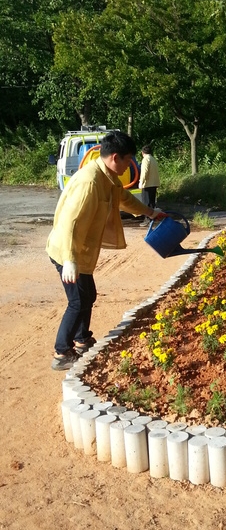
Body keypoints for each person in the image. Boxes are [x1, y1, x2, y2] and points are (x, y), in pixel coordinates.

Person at [47, 131, 166, 371]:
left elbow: (124, 199)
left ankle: (82, 340)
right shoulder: (89, 182)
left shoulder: (109, 178)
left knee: (88, 295)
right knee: (78, 300)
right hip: (67, 251)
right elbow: (70, 222)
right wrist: (69, 261)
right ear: (115, 158)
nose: (130, 165)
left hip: (82, 252)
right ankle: (61, 352)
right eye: (128, 160)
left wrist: (150, 212)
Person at [138, 144, 161, 227]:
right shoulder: (153, 159)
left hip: (147, 184)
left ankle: (148, 219)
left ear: (142, 152)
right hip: (154, 184)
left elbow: (144, 172)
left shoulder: (145, 159)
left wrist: (141, 182)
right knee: (151, 202)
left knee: (146, 203)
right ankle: (153, 219)